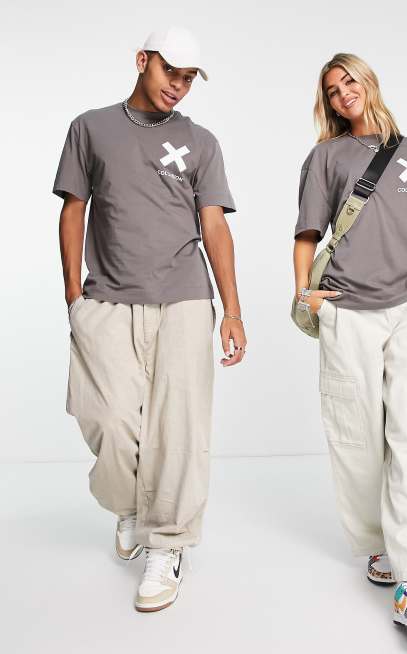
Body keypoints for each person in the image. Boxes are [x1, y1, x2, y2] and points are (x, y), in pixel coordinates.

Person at [53, 26, 246, 613]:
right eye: (170, 72)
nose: (178, 86)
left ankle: (167, 544)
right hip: (107, 297)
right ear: (142, 61)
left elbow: (214, 225)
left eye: (188, 78)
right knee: (108, 419)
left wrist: (232, 309)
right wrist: (73, 296)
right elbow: (74, 210)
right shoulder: (90, 128)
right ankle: (131, 508)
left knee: (179, 429)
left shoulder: (201, 141)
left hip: (184, 296)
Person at [292, 53, 407, 634]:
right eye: (332, 91)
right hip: (350, 310)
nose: (343, 95)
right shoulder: (325, 158)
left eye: (349, 81)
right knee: (358, 440)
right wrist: (307, 296)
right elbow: (308, 235)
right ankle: (377, 544)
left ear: (369, 82)